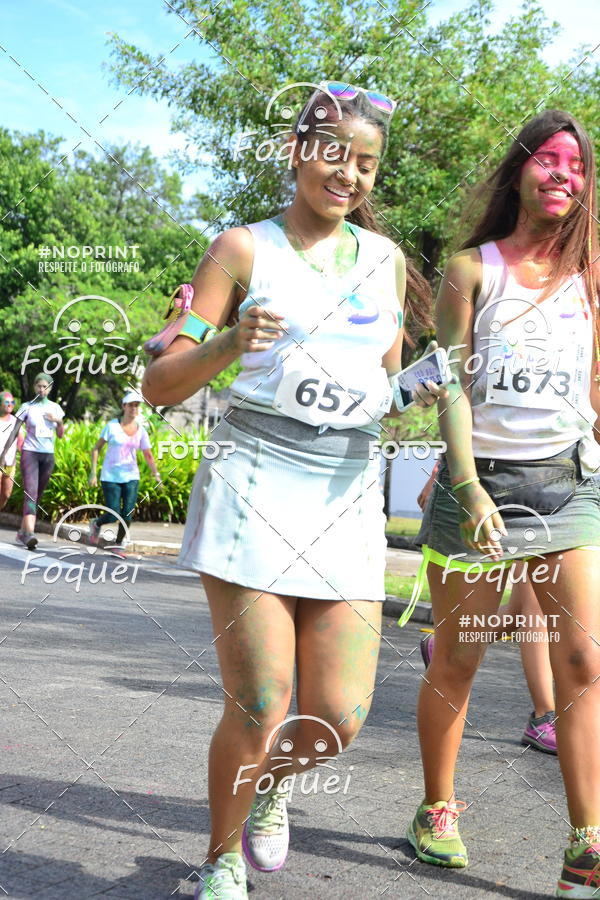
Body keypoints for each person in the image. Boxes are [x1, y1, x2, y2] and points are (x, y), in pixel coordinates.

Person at [142, 82, 445, 900]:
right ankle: (221, 860)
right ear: (298, 151)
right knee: (261, 701)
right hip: (254, 480)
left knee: (338, 718)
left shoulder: (385, 263)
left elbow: (383, 388)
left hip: (346, 490)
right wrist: (230, 341)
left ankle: (270, 788)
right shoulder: (241, 249)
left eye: (366, 163)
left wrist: (420, 388)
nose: (349, 174)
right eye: (334, 153)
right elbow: (160, 383)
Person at [407, 110, 600, 898]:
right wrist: (465, 483)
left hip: (568, 485)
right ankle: (436, 807)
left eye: (576, 165)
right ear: (520, 169)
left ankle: (586, 845)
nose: (563, 175)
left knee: (584, 660)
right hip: (479, 484)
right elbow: (449, 383)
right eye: (549, 159)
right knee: (460, 656)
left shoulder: (591, 274)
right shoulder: (471, 269)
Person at [417, 468, 557, 754]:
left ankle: (446, 643)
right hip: (528, 484)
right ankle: (544, 716)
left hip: (571, 487)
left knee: (522, 610)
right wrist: (438, 473)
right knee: (537, 607)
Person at [88, 390, 161, 555]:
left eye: (136, 405)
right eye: (131, 405)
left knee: (127, 514)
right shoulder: (112, 426)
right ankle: (96, 524)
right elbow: (96, 448)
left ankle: (118, 543)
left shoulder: (141, 430)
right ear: (124, 406)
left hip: (131, 476)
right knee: (113, 513)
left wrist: (156, 474)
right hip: (110, 476)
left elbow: (148, 454)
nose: (134, 408)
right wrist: (93, 472)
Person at [0, 373, 65, 550]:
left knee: (37, 495)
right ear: (34, 387)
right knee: (30, 493)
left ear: (50, 388)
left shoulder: (56, 408)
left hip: (48, 456)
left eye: (45, 386)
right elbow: (14, 431)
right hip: (30, 453)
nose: (42, 389)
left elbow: (60, 435)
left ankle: (22, 532)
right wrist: (4, 453)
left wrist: (58, 421)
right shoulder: (26, 407)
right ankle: (29, 534)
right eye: (39, 386)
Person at [0, 391, 24, 511]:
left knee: (6, 495)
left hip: (10, 464)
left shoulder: (16, 422)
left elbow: (21, 442)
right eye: (6, 402)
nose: (10, 404)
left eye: (12, 402)